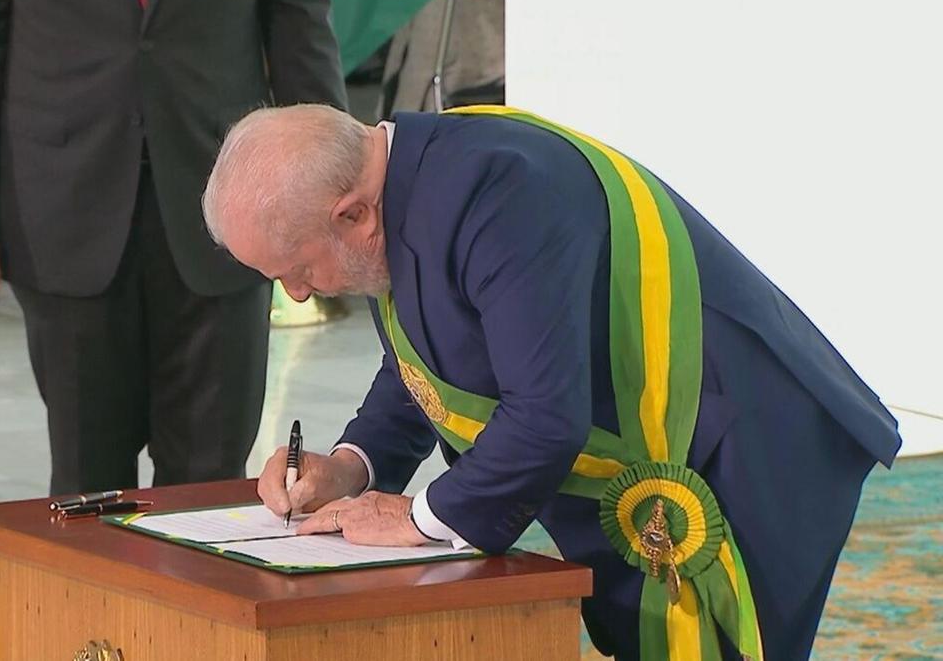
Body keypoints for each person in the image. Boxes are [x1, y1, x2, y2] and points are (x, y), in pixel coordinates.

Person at [200, 104, 902, 660]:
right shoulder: (400, 178)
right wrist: (351, 467)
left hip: (739, 439)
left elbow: (544, 419)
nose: (294, 295)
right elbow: (434, 350)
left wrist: (416, 517)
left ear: (352, 213)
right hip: (655, 447)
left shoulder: (492, 191)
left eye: (294, 268)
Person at [0, 0, 346, 494]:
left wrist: (332, 190)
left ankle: (194, 577)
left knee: (210, 477)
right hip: (63, 203)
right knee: (87, 477)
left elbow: (298, 24)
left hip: (229, 204)